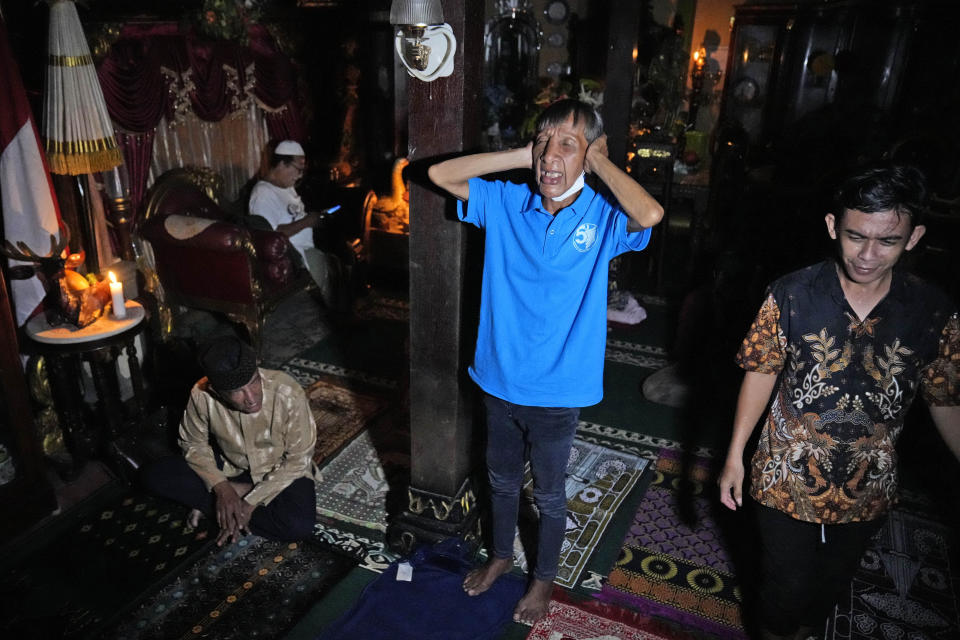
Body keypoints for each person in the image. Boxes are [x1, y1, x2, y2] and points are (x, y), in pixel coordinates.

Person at [428, 99, 664, 624]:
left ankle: (542, 582)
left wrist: (599, 162)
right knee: (501, 480)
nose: (551, 158)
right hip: (499, 376)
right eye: (544, 143)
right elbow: (439, 174)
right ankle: (501, 556)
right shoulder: (509, 203)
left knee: (551, 495)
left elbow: (650, 215)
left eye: (567, 146)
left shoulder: (603, 216)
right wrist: (524, 154)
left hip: (558, 390)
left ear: (591, 155)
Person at [717, 163, 960, 640]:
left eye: (887, 241)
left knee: (828, 588)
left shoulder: (933, 312)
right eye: (855, 237)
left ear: (913, 238)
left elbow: (945, 399)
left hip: (869, 484)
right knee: (782, 590)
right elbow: (761, 372)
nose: (867, 254)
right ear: (833, 226)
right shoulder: (791, 294)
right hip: (785, 475)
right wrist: (734, 456)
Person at [141, 335, 317, 545]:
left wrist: (248, 502)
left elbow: (298, 459)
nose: (251, 398)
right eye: (237, 392)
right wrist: (222, 489)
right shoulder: (201, 394)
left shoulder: (287, 392)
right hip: (233, 468)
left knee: (299, 526)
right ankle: (231, 500)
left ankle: (225, 511)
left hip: (282, 471)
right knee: (156, 475)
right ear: (216, 391)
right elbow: (193, 444)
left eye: (253, 383)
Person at [248, 139, 340, 309]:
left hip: (306, 249)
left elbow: (295, 216)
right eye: (298, 169)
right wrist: (307, 221)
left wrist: (314, 219)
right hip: (292, 259)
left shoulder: (287, 186)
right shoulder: (263, 194)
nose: (299, 176)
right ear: (282, 164)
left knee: (340, 258)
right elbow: (270, 237)